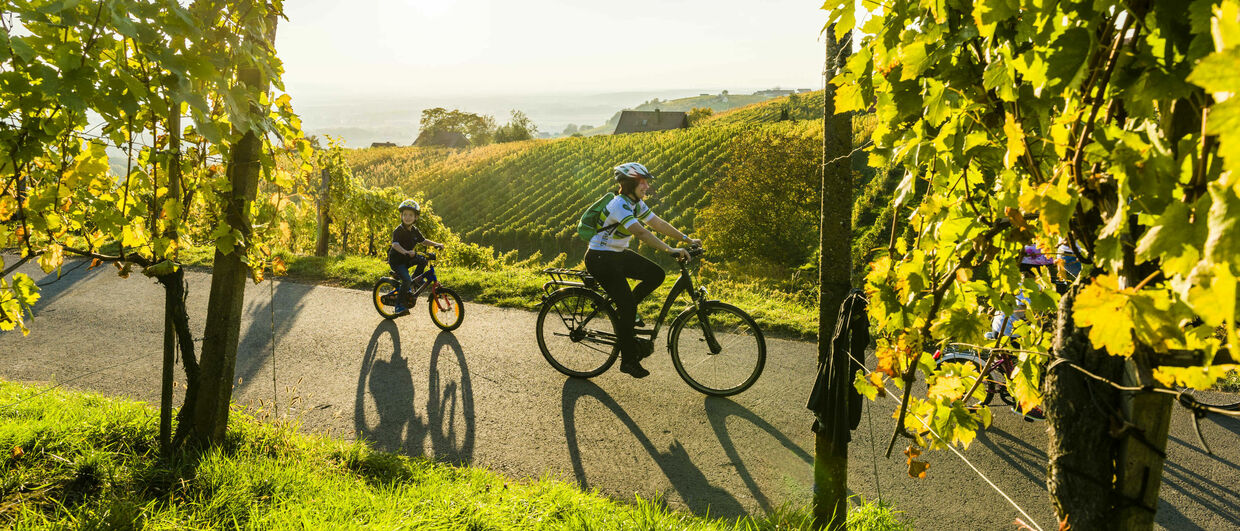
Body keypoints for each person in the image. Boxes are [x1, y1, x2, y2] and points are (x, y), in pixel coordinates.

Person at [585, 162, 700, 378]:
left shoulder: (635, 203)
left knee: (656, 275)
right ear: (630, 184)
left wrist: (686, 238)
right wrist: (670, 250)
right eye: (642, 182)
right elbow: (642, 233)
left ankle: (625, 311)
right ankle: (628, 360)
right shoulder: (620, 204)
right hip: (601, 258)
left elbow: (657, 223)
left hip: (617, 255)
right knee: (628, 308)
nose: (647, 186)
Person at [388, 199, 444, 314]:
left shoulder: (414, 230)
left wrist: (436, 244)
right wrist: (406, 252)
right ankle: (398, 305)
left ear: (415, 217)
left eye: (410, 215)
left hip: (407, 258)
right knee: (407, 280)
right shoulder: (398, 230)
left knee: (423, 260)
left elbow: (423, 241)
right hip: (397, 261)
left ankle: (416, 280)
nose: (407, 217)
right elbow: (395, 244)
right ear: (401, 216)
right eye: (405, 215)